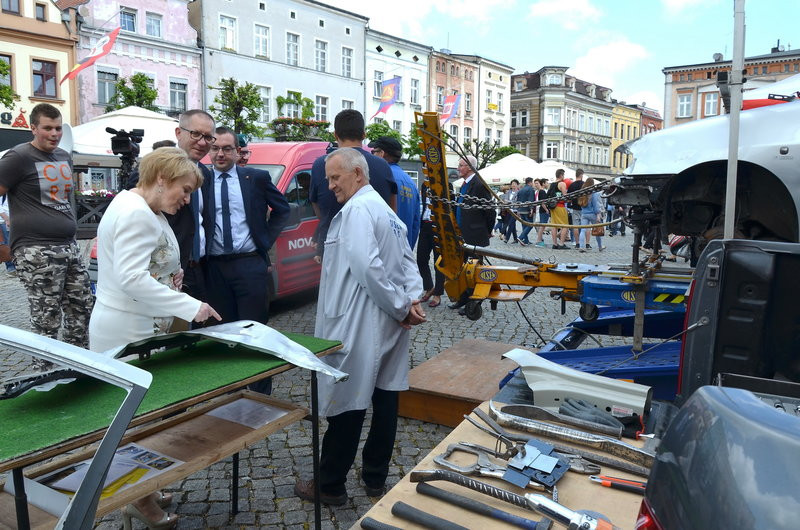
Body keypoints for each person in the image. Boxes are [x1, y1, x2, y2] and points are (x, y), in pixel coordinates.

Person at [89, 147, 221, 529]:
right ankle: (138, 502)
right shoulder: (137, 215)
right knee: (133, 424)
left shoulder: (140, 206)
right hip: (128, 328)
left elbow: (145, 267)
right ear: (161, 178)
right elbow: (131, 279)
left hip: (135, 323)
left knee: (139, 420)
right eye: (184, 189)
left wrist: (171, 279)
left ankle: (144, 490)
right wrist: (188, 305)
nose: (186, 199)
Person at [294, 148, 425, 506]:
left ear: (357, 173)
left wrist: (403, 305)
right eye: (328, 179)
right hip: (383, 319)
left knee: (347, 402)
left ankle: (330, 485)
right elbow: (408, 260)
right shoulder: (384, 210)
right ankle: (374, 479)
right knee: (385, 398)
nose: (331, 185)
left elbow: (368, 267)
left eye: (336, 177)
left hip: (359, 320)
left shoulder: (356, 211)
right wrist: (410, 302)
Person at [0, 103, 94, 361]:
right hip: (36, 250)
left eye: (57, 128)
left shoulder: (63, 156)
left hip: (69, 246)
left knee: (82, 306)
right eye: (47, 128)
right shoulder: (18, 157)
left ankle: (79, 365)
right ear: (33, 128)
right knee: (47, 316)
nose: (54, 133)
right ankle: (46, 373)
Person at [202, 127, 290, 327]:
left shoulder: (256, 178)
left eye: (227, 148)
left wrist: (265, 239)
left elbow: (282, 209)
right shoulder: (201, 180)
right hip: (214, 267)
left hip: (249, 263)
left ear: (237, 151)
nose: (220, 154)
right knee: (221, 327)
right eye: (215, 148)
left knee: (254, 326)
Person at [309, 110, 397, 262]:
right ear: (363, 134)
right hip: (375, 250)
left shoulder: (320, 165)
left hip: (333, 251)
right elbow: (391, 210)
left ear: (335, 135)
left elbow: (318, 210)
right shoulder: (383, 165)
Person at [368, 136, 421, 248]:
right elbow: (416, 223)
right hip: (404, 250)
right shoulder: (411, 182)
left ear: (381, 153)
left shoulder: (380, 177)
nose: (372, 154)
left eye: (374, 151)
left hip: (383, 251)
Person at [417, 181, 448, 308]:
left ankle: (438, 294)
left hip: (439, 227)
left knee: (439, 262)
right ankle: (429, 287)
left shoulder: (445, 184)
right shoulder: (424, 185)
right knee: (421, 259)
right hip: (425, 225)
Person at [455, 155, 494, 248]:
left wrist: (486, 231)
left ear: (469, 167)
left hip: (474, 237)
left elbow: (490, 211)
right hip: (462, 235)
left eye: (461, 165)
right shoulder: (465, 184)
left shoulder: (479, 185)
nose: (458, 168)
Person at [579, 178, 605, 251]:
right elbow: (596, 206)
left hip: (584, 213)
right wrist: (598, 215)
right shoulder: (594, 194)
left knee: (583, 230)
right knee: (597, 231)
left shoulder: (582, 193)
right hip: (593, 214)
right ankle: (600, 246)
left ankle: (581, 246)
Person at [548, 169, 572, 249]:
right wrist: (570, 199)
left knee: (554, 225)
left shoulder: (552, 184)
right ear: (561, 175)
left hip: (552, 207)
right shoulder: (562, 183)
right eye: (563, 175)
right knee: (565, 225)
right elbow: (565, 196)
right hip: (560, 206)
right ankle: (561, 244)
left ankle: (554, 244)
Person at [567, 169, 585, 248]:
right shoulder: (584, 185)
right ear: (581, 175)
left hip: (575, 207)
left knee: (575, 226)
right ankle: (584, 243)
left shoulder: (572, 185)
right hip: (584, 208)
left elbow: (568, 198)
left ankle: (577, 243)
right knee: (584, 226)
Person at [517, 177, 535, 244]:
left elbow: (518, 201)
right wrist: (531, 209)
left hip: (521, 209)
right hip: (527, 209)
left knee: (524, 225)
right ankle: (521, 237)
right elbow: (530, 200)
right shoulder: (530, 189)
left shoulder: (521, 190)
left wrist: (518, 210)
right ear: (530, 182)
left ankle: (526, 240)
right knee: (530, 224)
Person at [0, 196, 15, 275]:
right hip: (3, 221)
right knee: (7, 244)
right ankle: (11, 267)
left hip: (14, 218)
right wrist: (6, 219)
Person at [533, 179, 550, 247]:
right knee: (542, 226)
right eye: (546, 183)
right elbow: (543, 202)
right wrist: (546, 209)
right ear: (543, 184)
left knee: (542, 226)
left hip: (541, 209)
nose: (547, 184)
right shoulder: (542, 191)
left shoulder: (540, 191)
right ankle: (539, 241)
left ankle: (539, 240)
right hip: (543, 210)